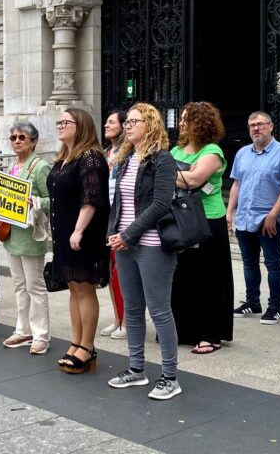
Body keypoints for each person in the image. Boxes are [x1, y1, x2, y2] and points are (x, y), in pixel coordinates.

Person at [107, 103, 181, 400]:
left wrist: (129, 234)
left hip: (151, 244)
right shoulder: (126, 158)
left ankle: (170, 376)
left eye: (134, 121)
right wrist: (114, 234)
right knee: (133, 311)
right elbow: (118, 202)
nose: (128, 125)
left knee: (160, 310)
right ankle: (136, 369)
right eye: (127, 122)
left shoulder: (162, 159)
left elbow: (161, 204)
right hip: (124, 243)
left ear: (150, 124)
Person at [48, 108, 110, 373]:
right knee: (73, 288)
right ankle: (76, 341)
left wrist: (78, 230)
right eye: (59, 121)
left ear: (81, 125)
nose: (60, 126)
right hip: (64, 233)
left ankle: (87, 346)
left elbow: (92, 198)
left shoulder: (90, 158)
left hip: (83, 234)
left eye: (66, 122)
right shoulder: (64, 158)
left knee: (85, 288)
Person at [170, 101, 234, 354]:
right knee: (182, 276)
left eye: (188, 119)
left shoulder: (212, 150)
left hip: (208, 219)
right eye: (182, 118)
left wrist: (172, 174)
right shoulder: (177, 150)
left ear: (202, 122)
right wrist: (180, 176)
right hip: (180, 217)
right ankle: (185, 330)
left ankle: (210, 334)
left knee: (208, 277)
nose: (182, 123)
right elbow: (173, 178)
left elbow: (195, 180)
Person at [225, 112, 280, 325]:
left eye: (260, 125)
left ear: (271, 126)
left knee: (273, 263)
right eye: (252, 126)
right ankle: (252, 302)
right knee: (249, 263)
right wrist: (229, 212)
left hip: (268, 219)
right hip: (245, 217)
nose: (256, 129)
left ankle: (275, 307)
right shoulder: (243, 153)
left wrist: (274, 214)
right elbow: (236, 184)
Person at [0, 121, 53, 355]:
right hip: (12, 234)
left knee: (35, 286)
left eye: (22, 137)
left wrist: (36, 202)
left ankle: (41, 334)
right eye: (13, 138)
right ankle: (23, 330)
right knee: (20, 285)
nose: (17, 141)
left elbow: (54, 200)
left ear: (33, 141)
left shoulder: (40, 167)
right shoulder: (12, 166)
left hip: (31, 235)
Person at [101, 109, 128, 341]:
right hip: (107, 218)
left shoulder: (128, 154)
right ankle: (117, 318)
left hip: (123, 218)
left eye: (112, 122)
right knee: (110, 272)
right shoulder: (105, 153)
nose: (107, 125)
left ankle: (127, 320)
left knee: (123, 273)